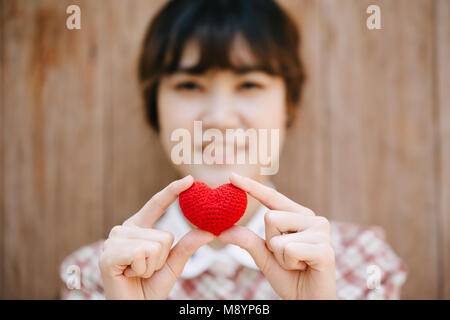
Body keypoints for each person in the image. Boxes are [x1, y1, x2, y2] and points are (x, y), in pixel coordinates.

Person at [60, 0, 407, 300]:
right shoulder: (97, 276)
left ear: (288, 105)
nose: (221, 120)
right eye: (190, 85)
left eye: (249, 84)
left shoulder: (361, 264)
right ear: (155, 110)